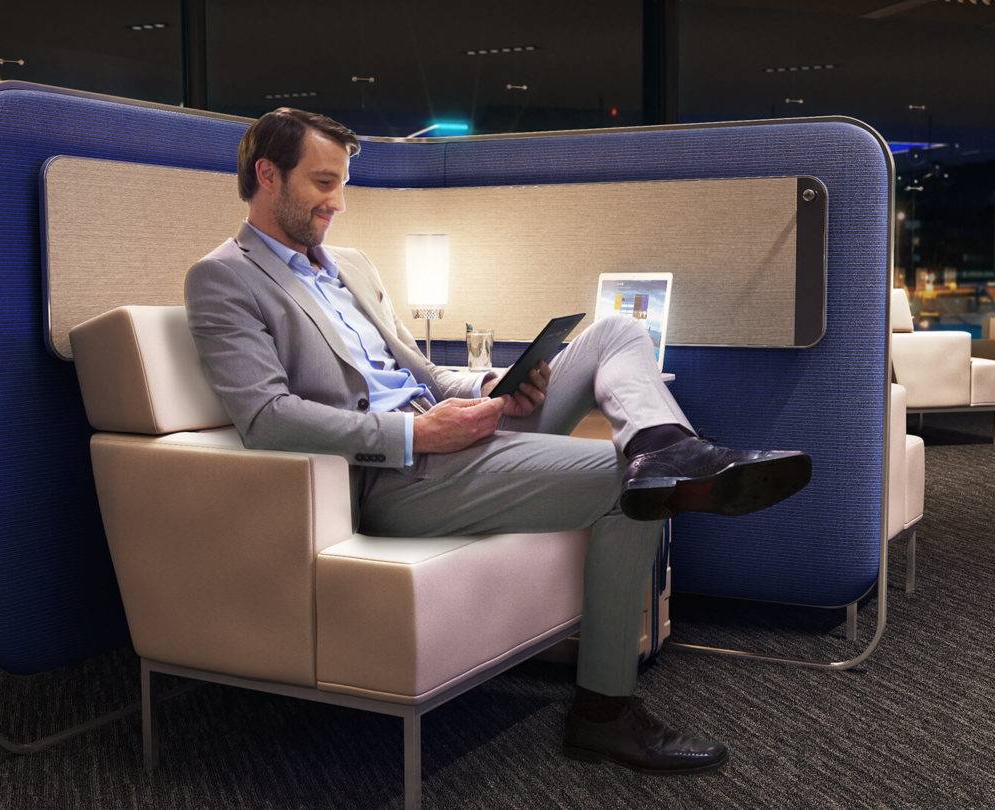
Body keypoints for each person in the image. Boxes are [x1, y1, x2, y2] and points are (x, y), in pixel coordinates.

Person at [185, 108, 812, 775]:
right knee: (623, 482)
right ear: (267, 175)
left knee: (616, 333)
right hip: (396, 475)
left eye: (342, 183)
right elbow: (268, 417)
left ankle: (666, 447)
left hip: (451, 428)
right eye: (322, 182)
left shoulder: (351, 266)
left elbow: (420, 371)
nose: (337, 202)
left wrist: (492, 384)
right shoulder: (223, 278)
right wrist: (417, 432)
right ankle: (602, 713)